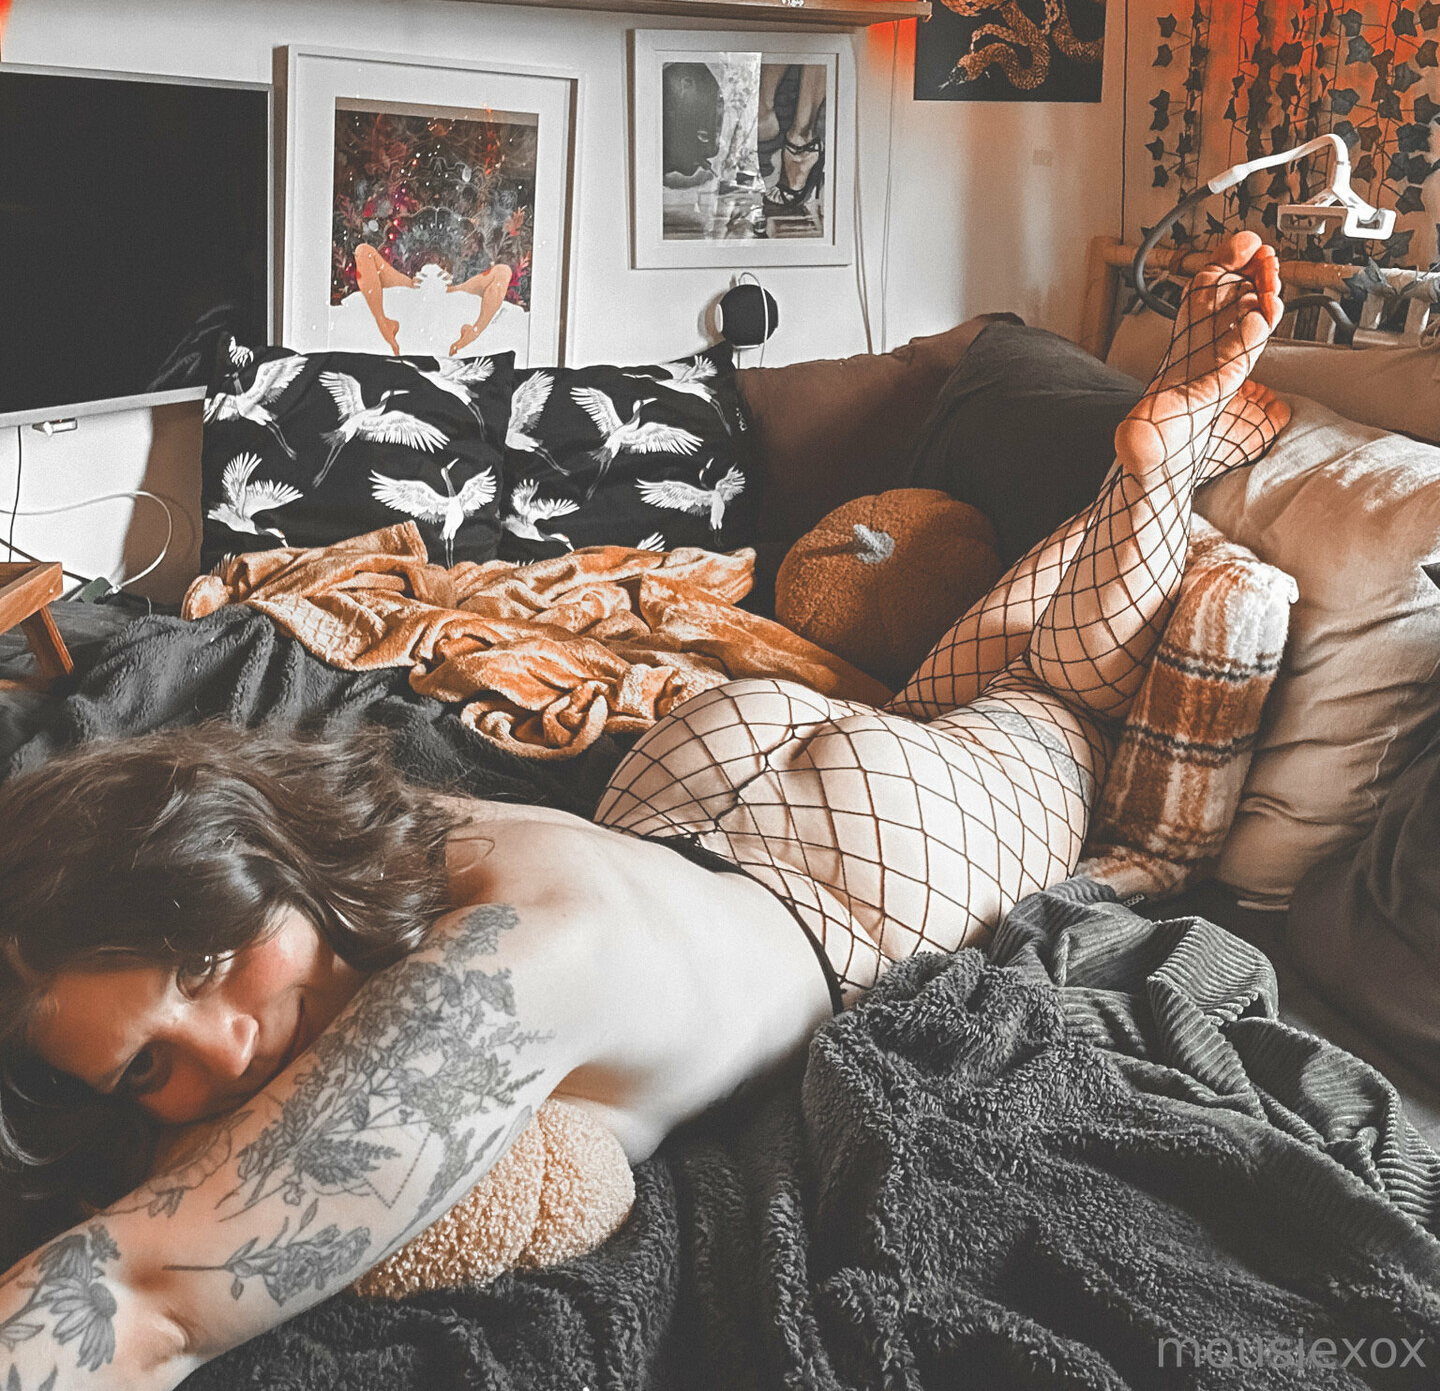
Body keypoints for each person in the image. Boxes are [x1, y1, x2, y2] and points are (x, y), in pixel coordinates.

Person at [0, 236, 1285, 1388]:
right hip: (720, 784)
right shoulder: (355, 840)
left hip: (858, 873)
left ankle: (1156, 476)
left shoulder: (504, 978)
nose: (226, 1055)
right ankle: (1151, 482)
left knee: (1057, 708)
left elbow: (146, 1300)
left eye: (206, 964)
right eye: (145, 1068)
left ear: (247, 860)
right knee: (983, 680)